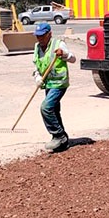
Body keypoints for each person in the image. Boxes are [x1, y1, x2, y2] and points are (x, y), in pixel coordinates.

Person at [32, 22, 76, 153]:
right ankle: (63, 142)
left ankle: (58, 135)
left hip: (59, 83)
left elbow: (73, 59)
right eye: (37, 36)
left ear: (49, 34)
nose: (39, 38)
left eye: (42, 36)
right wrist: (38, 78)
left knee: (46, 108)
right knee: (54, 111)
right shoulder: (37, 47)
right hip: (47, 84)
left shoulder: (58, 44)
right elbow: (36, 67)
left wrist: (64, 54)